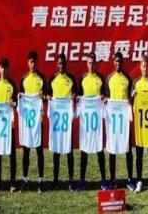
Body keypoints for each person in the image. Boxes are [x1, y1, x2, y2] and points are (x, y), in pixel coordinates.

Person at [73, 52, 108, 191]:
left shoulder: (101, 78)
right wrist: (76, 98)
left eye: (93, 63)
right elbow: (78, 96)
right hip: (85, 122)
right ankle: (82, 180)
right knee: (84, 150)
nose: (91, 65)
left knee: (100, 150)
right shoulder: (82, 78)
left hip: (97, 121)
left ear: (96, 64)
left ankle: (104, 180)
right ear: (86, 64)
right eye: (88, 63)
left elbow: (104, 95)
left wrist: (103, 98)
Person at [106, 52, 135, 191]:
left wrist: (130, 101)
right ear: (114, 62)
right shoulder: (109, 78)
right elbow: (106, 97)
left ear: (123, 63)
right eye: (116, 61)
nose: (118, 63)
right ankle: (112, 180)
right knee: (112, 150)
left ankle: (130, 179)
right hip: (113, 120)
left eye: (120, 61)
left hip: (123, 120)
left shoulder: (128, 78)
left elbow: (131, 98)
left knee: (128, 149)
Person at [19, 51, 47, 192]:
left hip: (37, 121)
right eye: (31, 61)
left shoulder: (42, 78)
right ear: (27, 63)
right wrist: (19, 96)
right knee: (26, 152)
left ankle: (41, 180)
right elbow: (19, 97)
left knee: (39, 151)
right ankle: (25, 180)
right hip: (27, 122)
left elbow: (47, 97)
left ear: (37, 62)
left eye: (35, 61)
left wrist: (43, 97)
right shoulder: (23, 79)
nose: (33, 64)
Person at [48, 53, 76, 190]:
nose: (61, 66)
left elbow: (76, 94)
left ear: (66, 64)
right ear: (56, 64)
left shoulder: (71, 79)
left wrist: (73, 96)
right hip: (56, 122)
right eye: (59, 63)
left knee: (69, 151)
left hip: (67, 121)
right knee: (57, 151)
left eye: (63, 63)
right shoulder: (52, 79)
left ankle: (71, 180)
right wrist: (48, 97)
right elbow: (47, 94)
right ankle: (55, 181)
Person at [131, 55, 148, 193]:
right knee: (139, 154)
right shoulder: (136, 83)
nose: (145, 68)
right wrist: (132, 95)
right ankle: (139, 181)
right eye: (143, 66)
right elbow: (130, 101)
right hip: (140, 126)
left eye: (147, 66)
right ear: (140, 67)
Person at [0, 57, 17, 193]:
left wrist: (14, 104)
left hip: (9, 124)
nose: (3, 70)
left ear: (8, 69)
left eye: (5, 67)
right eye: (1, 67)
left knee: (12, 154)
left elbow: (16, 102)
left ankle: (12, 183)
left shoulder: (12, 85)